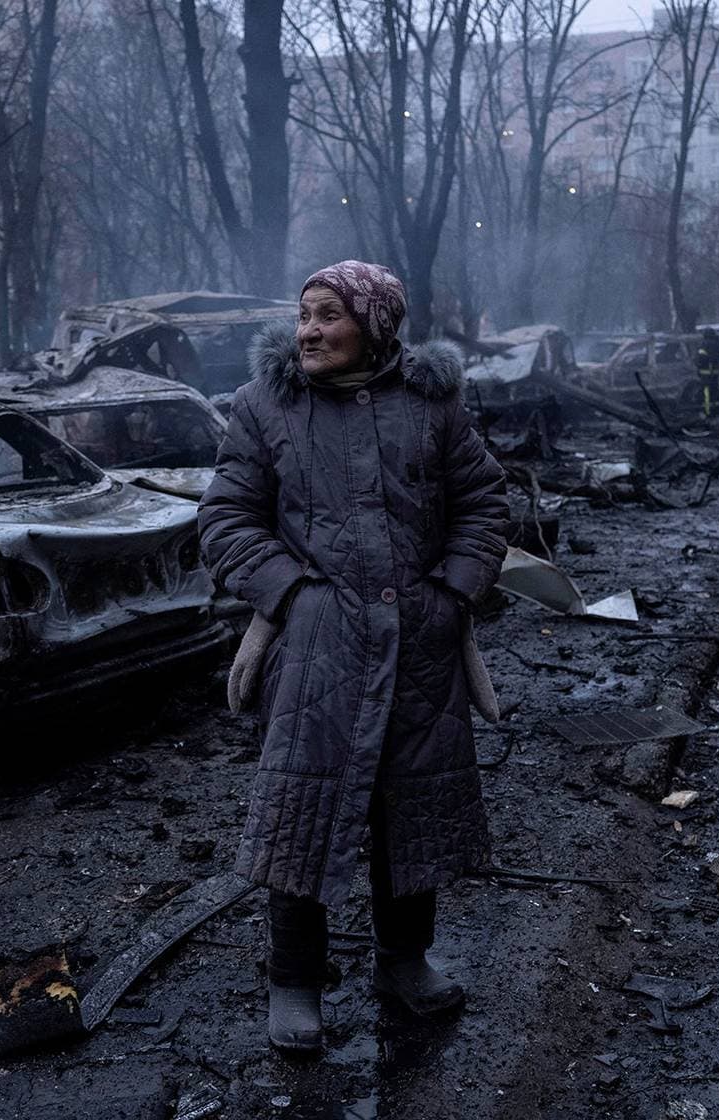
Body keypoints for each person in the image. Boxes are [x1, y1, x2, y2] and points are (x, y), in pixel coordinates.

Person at [198, 260, 510, 1055]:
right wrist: (294, 598)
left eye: (328, 315)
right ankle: (295, 982)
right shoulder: (264, 405)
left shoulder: (433, 405)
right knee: (303, 811)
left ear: (374, 326)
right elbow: (228, 518)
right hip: (314, 651)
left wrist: (452, 595)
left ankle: (403, 964)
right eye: (304, 314)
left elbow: (483, 504)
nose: (308, 330)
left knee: (414, 810)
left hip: (420, 645)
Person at [695, 326, 719, 417]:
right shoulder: (718, 343)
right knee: (714, 390)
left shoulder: (704, 344)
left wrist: (698, 367)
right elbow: (718, 357)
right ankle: (716, 410)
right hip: (715, 371)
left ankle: (707, 412)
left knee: (706, 392)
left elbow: (700, 358)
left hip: (705, 372)